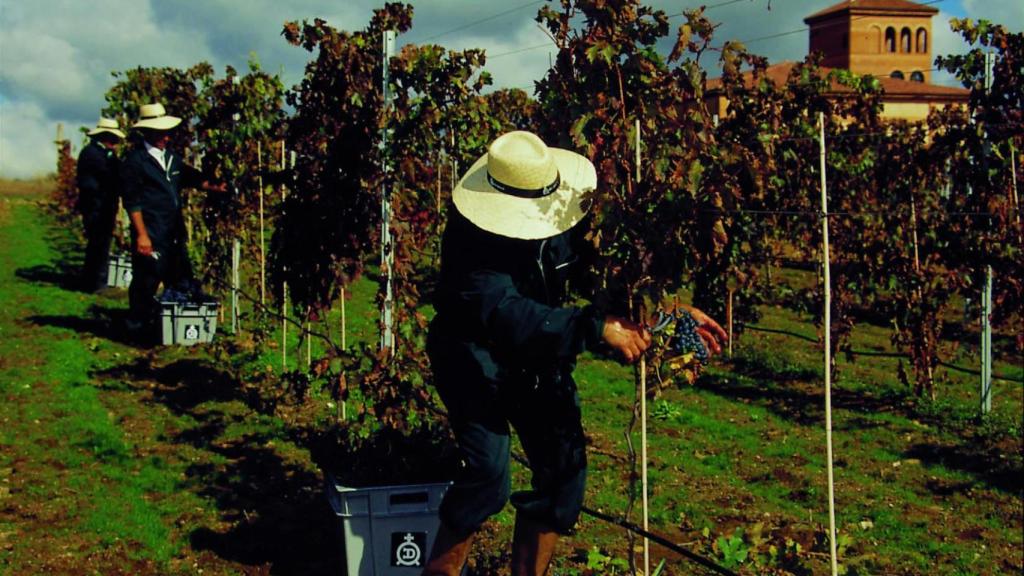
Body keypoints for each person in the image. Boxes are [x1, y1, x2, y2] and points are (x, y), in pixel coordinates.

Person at [422, 131, 726, 576]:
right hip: (472, 355)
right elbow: (508, 314)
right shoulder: (470, 241)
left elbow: (599, 273)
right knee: (489, 473)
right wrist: (594, 328)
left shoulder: (563, 213)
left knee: (564, 478)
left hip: (538, 356)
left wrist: (665, 308)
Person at [120, 103, 224, 338]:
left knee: (179, 278)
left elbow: (193, 178)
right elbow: (132, 202)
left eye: (167, 133)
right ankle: (137, 328)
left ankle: (168, 327)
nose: (166, 137)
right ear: (147, 132)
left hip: (174, 233)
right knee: (146, 282)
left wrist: (215, 186)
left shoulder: (172, 159)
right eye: (160, 133)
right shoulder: (135, 162)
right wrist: (142, 235)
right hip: (151, 232)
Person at [76, 117, 124, 292]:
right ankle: (95, 283)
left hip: (102, 207)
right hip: (96, 208)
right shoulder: (93, 154)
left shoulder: (102, 153)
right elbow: (110, 176)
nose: (116, 143)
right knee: (98, 245)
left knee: (99, 245)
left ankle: (92, 281)